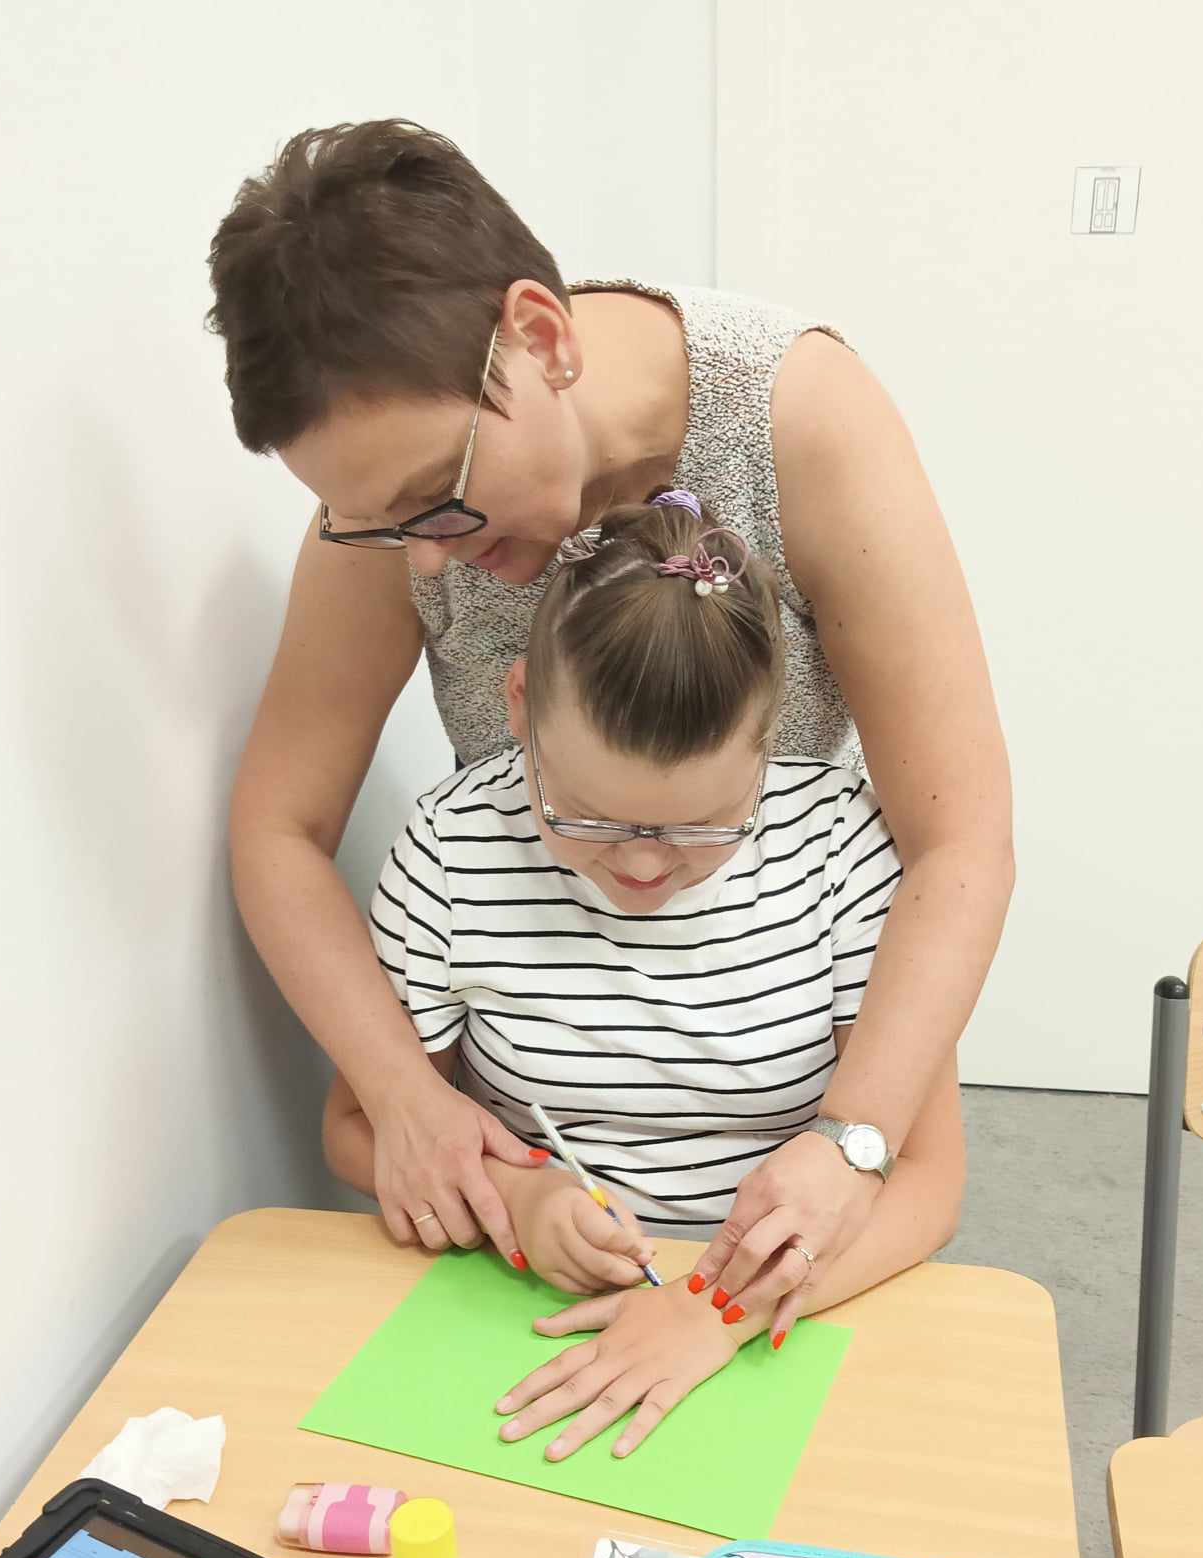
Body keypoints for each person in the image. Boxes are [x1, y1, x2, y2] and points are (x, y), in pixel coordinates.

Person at [206, 118, 1013, 1345]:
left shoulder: (799, 417)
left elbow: (961, 842)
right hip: (544, 1007)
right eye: (370, 524)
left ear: (540, 339)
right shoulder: (397, 505)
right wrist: (403, 1096)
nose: (424, 561)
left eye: (434, 501)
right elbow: (279, 825)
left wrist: (851, 1144)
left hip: (775, 1001)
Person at [320, 495, 957, 1558]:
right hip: (529, 1321)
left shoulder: (835, 855)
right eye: (594, 822)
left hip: (775, 1317)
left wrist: (715, 1307)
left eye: (697, 828)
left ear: (768, 747)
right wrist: (511, 1192)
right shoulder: (456, 848)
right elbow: (357, 1123)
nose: (646, 871)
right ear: (519, 712)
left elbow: (927, 1183)